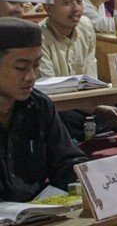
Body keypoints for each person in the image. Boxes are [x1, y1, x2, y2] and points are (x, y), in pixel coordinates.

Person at [0, 18, 88, 202]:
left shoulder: (38, 105)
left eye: (36, 65)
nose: (31, 76)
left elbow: (67, 162)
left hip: (34, 211)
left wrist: (83, 179)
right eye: (21, 68)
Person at [40, 0, 117, 140]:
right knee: (59, 117)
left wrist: (98, 103)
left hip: (87, 100)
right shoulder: (39, 37)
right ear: (48, 8)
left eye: (79, 1)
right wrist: (96, 108)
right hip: (60, 103)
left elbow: (90, 76)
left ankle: (94, 128)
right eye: (67, 3)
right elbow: (49, 90)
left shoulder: (85, 25)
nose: (76, 9)